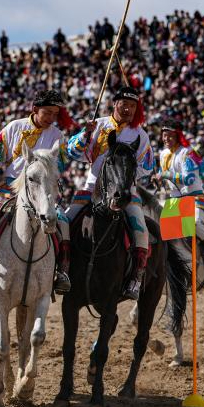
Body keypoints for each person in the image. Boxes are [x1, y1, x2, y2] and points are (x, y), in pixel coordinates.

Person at [0, 89, 76, 295]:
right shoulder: (14, 127)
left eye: (55, 114)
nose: (52, 118)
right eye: (47, 113)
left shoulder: (57, 135)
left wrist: (52, 171)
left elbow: (61, 164)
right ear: (35, 109)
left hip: (41, 190)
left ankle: (61, 271)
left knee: (62, 220)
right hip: (10, 188)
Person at [65, 86, 155, 300]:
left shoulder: (140, 134)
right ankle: (62, 268)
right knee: (65, 221)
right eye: (125, 104)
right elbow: (72, 152)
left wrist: (127, 172)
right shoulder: (98, 126)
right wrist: (84, 135)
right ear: (115, 104)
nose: (128, 109)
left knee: (141, 229)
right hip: (92, 186)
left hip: (125, 190)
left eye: (133, 106)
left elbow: (148, 166)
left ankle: (136, 277)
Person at [157, 118, 204, 272]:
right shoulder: (163, 154)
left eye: (170, 135)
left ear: (177, 136)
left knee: (195, 222)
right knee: (163, 229)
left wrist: (166, 174)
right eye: (164, 135)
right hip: (174, 201)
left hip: (194, 198)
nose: (166, 139)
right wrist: (157, 177)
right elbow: (162, 174)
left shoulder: (187, 153)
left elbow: (189, 179)